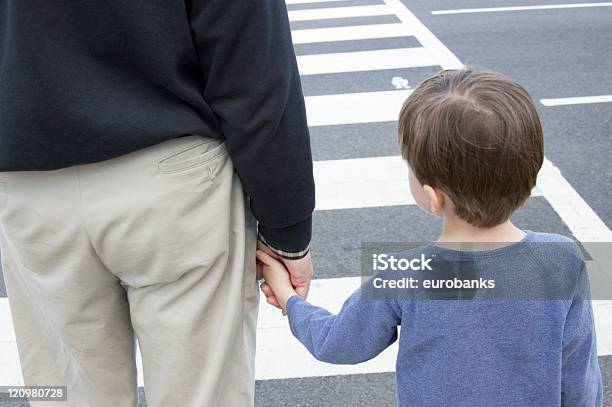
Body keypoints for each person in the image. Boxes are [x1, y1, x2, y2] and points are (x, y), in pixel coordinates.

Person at [0, 1, 314, 406]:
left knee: (66, 394)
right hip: (170, 175)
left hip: (30, 186)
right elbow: (253, 63)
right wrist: (287, 228)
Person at [257, 68, 603, 406]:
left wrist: (290, 299)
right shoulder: (563, 260)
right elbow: (579, 378)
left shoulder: (407, 272)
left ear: (434, 196)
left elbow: (338, 343)